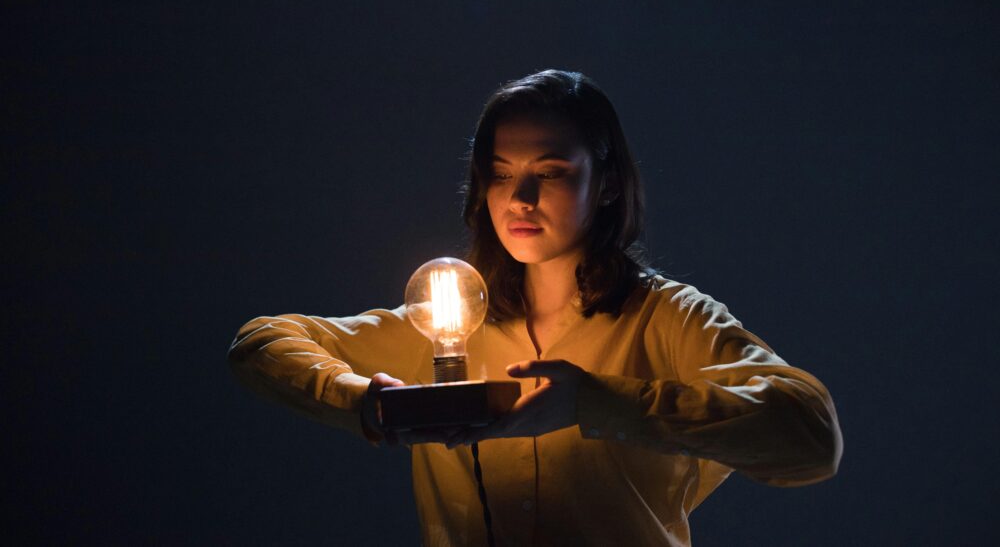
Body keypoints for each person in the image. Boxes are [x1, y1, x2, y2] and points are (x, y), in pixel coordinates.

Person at [228, 70, 843, 546]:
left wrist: (594, 403)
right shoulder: (452, 318)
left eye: (549, 173)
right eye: (500, 174)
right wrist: (364, 401)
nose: (519, 198)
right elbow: (260, 345)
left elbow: (811, 435)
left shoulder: (666, 317)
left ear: (605, 184)